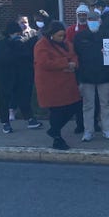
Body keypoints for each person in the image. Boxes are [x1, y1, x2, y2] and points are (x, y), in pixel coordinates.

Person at [33, 21, 82, 150]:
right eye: (59, 36)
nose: (62, 38)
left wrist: (73, 64)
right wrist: (66, 63)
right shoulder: (41, 45)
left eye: (63, 35)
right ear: (51, 35)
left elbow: (74, 56)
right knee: (57, 111)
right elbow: (44, 63)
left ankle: (54, 130)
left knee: (74, 107)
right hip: (51, 84)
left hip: (67, 83)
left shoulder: (66, 44)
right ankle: (57, 137)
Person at [0, 22, 41, 133]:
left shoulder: (19, 44)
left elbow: (27, 57)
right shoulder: (1, 44)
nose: (18, 36)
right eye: (17, 33)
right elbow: (4, 59)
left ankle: (30, 119)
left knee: (23, 98)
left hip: (18, 76)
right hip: (4, 77)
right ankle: (5, 123)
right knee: (4, 101)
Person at [72, 10, 109, 141]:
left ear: (100, 20)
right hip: (86, 76)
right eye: (90, 19)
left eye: (95, 19)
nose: (92, 22)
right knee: (88, 105)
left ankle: (107, 129)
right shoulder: (80, 36)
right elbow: (76, 55)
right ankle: (88, 131)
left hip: (105, 75)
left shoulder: (108, 36)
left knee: (106, 104)